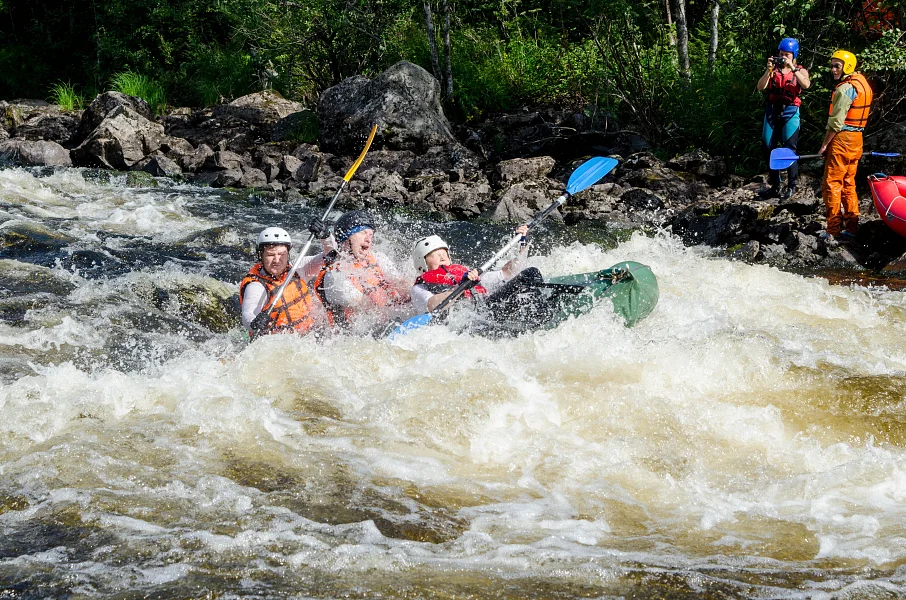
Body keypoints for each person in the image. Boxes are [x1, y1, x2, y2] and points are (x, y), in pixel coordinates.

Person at [313, 210, 410, 334]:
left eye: (371, 234)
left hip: (386, 325)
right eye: (363, 233)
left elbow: (401, 285)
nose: (368, 239)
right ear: (346, 237)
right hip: (355, 338)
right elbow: (365, 307)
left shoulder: (378, 258)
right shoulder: (334, 275)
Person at [409, 225, 531, 314]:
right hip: (466, 319)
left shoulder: (465, 274)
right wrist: (460, 288)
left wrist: (521, 244)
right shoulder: (419, 287)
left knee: (530, 273)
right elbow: (432, 304)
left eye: (443, 253)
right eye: (434, 255)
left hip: (487, 309)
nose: (441, 256)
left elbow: (507, 272)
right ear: (422, 264)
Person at [239, 224, 332, 339]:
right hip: (280, 344)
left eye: (281, 254)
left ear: (288, 254)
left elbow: (332, 255)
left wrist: (326, 236)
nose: (277, 260)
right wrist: (254, 323)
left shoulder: (298, 269)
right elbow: (248, 313)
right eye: (270, 255)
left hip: (312, 335)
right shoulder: (256, 286)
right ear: (260, 255)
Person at [819, 49, 873, 241]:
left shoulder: (844, 89)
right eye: (832, 65)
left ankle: (832, 229)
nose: (833, 69)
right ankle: (851, 227)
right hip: (857, 140)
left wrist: (825, 145)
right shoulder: (863, 84)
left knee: (832, 183)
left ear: (847, 67)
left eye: (837, 66)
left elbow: (835, 123)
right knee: (849, 182)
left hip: (842, 139)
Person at [756, 37, 811, 201]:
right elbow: (760, 87)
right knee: (768, 146)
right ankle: (775, 185)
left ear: (794, 55)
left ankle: (791, 186)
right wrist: (768, 70)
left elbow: (806, 85)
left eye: (786, 54)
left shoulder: (800, 70)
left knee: (789, 149)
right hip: (772, 110)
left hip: (790, 111)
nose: (783, 57)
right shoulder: (773, 70)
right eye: (781, 54)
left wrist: (792, 68)